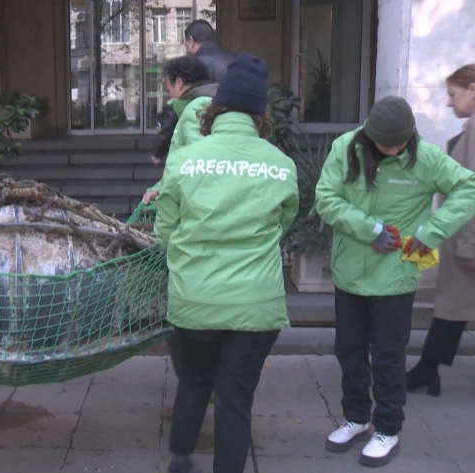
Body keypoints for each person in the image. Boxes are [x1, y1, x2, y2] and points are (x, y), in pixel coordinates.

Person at [154, 53, 299, 473]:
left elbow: (165, 232)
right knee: (236, 398)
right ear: (260, 113)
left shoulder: (183, 162)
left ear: (217, 107)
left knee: (195, 381)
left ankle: (180, 458)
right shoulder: (281, 166)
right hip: (257, 304)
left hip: (194, 299)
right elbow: (282, 225)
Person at [315, 95, 475, 467]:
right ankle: (356, 417)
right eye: (386, 144)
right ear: (369, 137)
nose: (394, 149)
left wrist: (432, 231)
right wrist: (368, 228)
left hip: (395, 277)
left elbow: (468, 188)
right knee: (349, 351)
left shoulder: (426, 157)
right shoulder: (346, 149)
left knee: (387, 357)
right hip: (350, 272)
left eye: (400, 143)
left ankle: (388, 428)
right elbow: (325, 198)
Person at [407, 64, 475, 397]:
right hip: (463, 234)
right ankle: (427, 370)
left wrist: (466, 242)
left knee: (452, 306)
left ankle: (426, 370)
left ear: (472, 89)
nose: (449, 103)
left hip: (468, 236)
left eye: (452, 94)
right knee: (452, 307)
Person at [144, 55, 214, 205]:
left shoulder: (194, 111)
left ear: (180, 83)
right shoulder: (210, 106)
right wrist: (160, 187)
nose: (169, 96)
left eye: (169, 89)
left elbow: (198, 168)